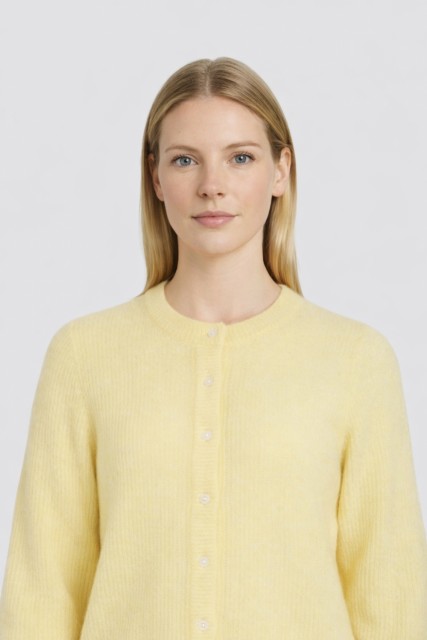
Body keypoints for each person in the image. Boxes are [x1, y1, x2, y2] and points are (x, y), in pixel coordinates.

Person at [0, 57, 426, 639]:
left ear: (281, 171)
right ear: (155, 178)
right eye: (185, 160)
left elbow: (391, 594)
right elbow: (42, 590)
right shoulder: (84, 355)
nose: (212, 185)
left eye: (240, 157)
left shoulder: (356, 360)